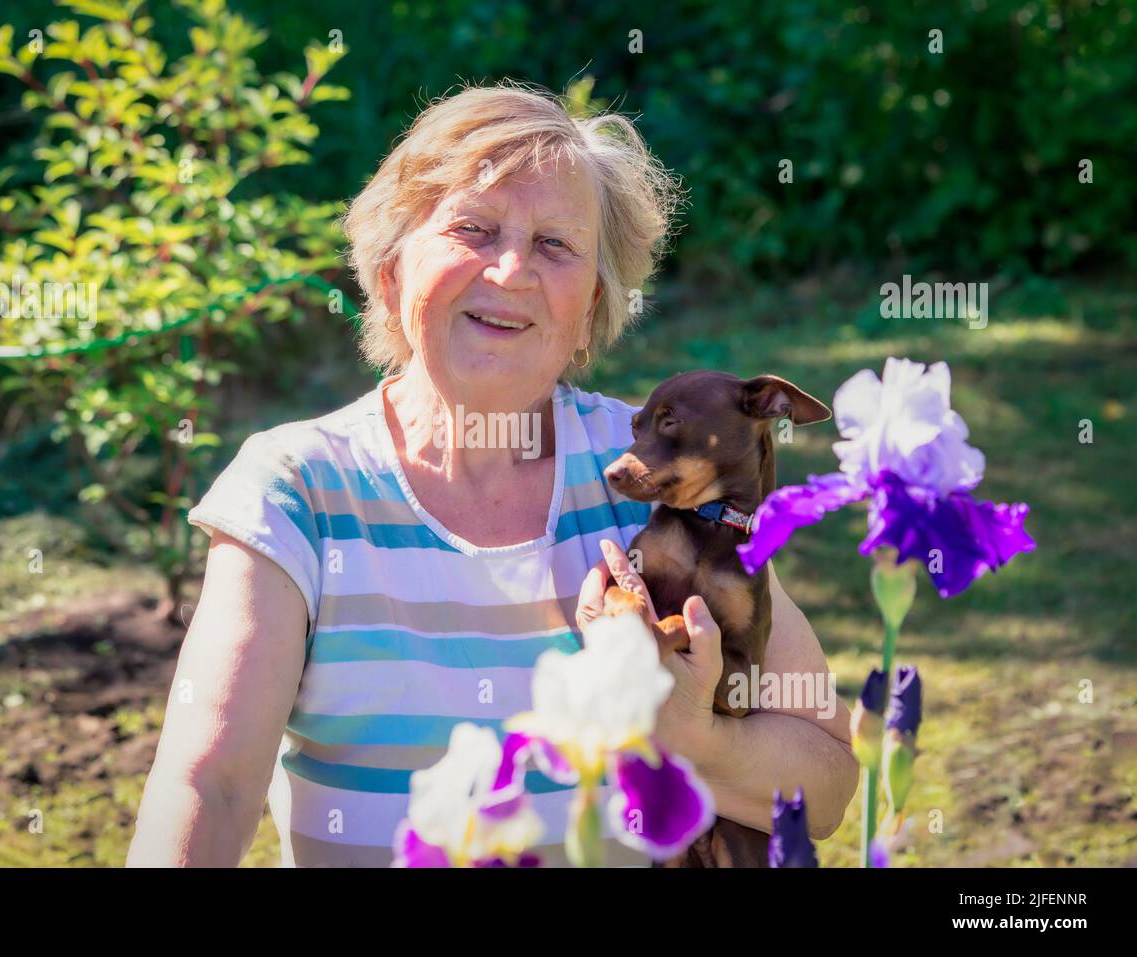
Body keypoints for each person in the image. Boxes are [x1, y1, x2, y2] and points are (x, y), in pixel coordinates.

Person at [126, 82, 857, 867]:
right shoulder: (295, 490)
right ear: (391, 272)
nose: (510, 271)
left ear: (593, 308)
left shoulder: (657, 472)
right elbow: (213, 784)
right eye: (472, 229)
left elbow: (825, 788)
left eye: (555, 245)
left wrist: (690, 734)